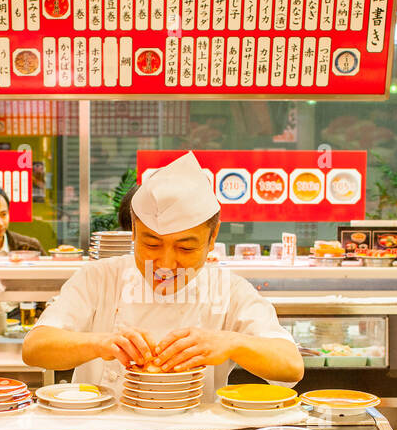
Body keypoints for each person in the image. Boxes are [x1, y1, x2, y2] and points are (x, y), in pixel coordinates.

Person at [22, 151, 303, 396]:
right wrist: (101, 343)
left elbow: (291, 366)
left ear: (212, 238)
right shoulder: (99, 278)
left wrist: (231, 343)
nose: (166, 264)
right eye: (151, 244)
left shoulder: (228, 290)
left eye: (185, 247)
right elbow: (35, 348)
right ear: (133, 232)